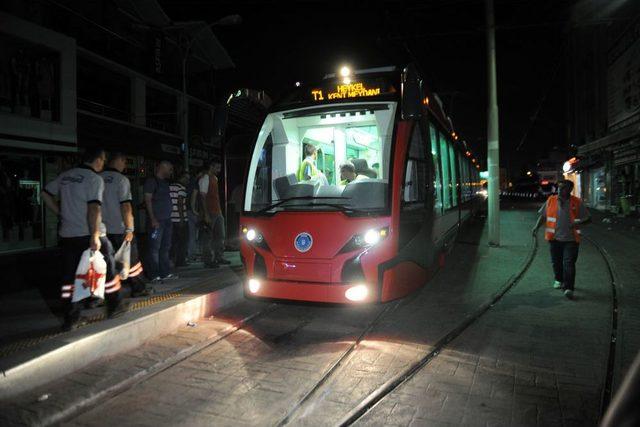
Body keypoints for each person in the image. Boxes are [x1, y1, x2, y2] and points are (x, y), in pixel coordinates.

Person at [41, 148, 126, 330]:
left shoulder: (66, 176)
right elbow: (94, 209)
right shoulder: (94, 179)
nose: (103, 164)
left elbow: (45, 194)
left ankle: (71, 318)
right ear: (99, 160)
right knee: (109, 270)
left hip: (68, 234)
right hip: (89, 233)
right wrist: (95, 235)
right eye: (103, 160)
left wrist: (61, 213)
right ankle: (115, 306)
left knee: (69, 277)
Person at [100, 152, 150, 297]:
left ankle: (104, 293)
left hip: (102, 229)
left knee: (106, 261)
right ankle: (139, 288)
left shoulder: (97, 178)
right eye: (124, 162)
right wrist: (129, 229)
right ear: (119, 160)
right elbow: (126, 206)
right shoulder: (121, 180)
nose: (125, 166)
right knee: (132, 259)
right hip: (120, 227)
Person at [532, 179, 591, 299]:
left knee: (569, 263)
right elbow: (543, 216)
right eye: (559, 187)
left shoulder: (576, 202)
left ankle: (569, 287)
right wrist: (535, 228)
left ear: (569, 190)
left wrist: (578, 221)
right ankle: (558, 279)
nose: (559, 190)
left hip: (571, 239)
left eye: (563, 188)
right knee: (556, 262)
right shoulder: (551, 200)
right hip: (554, 239)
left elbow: (588, 218)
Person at [143, 160, 176, 282]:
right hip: (157, 222)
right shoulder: (152, 181)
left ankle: (164, 273)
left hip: (167, 220)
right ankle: (154, 274)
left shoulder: (165, 183)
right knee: (154, 248)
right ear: (163, 168)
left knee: (165, 247)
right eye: (170, 169)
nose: (171, 172)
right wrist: (153, 219)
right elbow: (148, 200)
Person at [198, 160, 229, 268]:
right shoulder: (205, 178)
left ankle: (218, 257)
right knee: (208, 237)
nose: (219, 170)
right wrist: (206, 214)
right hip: (210, 212)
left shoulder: (214, 178)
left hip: (217, 211)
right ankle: (208, 260)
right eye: (217, 168)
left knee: (220, 235)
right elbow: (202, 197)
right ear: (211, 166)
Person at [169, 171, 189, 268]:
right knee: (183, 241)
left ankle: (171, 260)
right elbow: (180, 203)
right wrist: (181, 218)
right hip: (180, 218)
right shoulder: (182, 188)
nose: (188, 181)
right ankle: (180, 261)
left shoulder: (170, 187)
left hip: (171, 218)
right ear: (182, 178)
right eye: (186, 178)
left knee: (173, 241)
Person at [186, 169, 204, 262]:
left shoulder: (189, 184)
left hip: (189, 211)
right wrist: (195, 210)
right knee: (194, 235)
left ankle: (191, 255)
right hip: (193, 212)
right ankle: (192, 255)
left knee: (192, 234)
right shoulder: (196, 183)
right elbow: (193, 197)